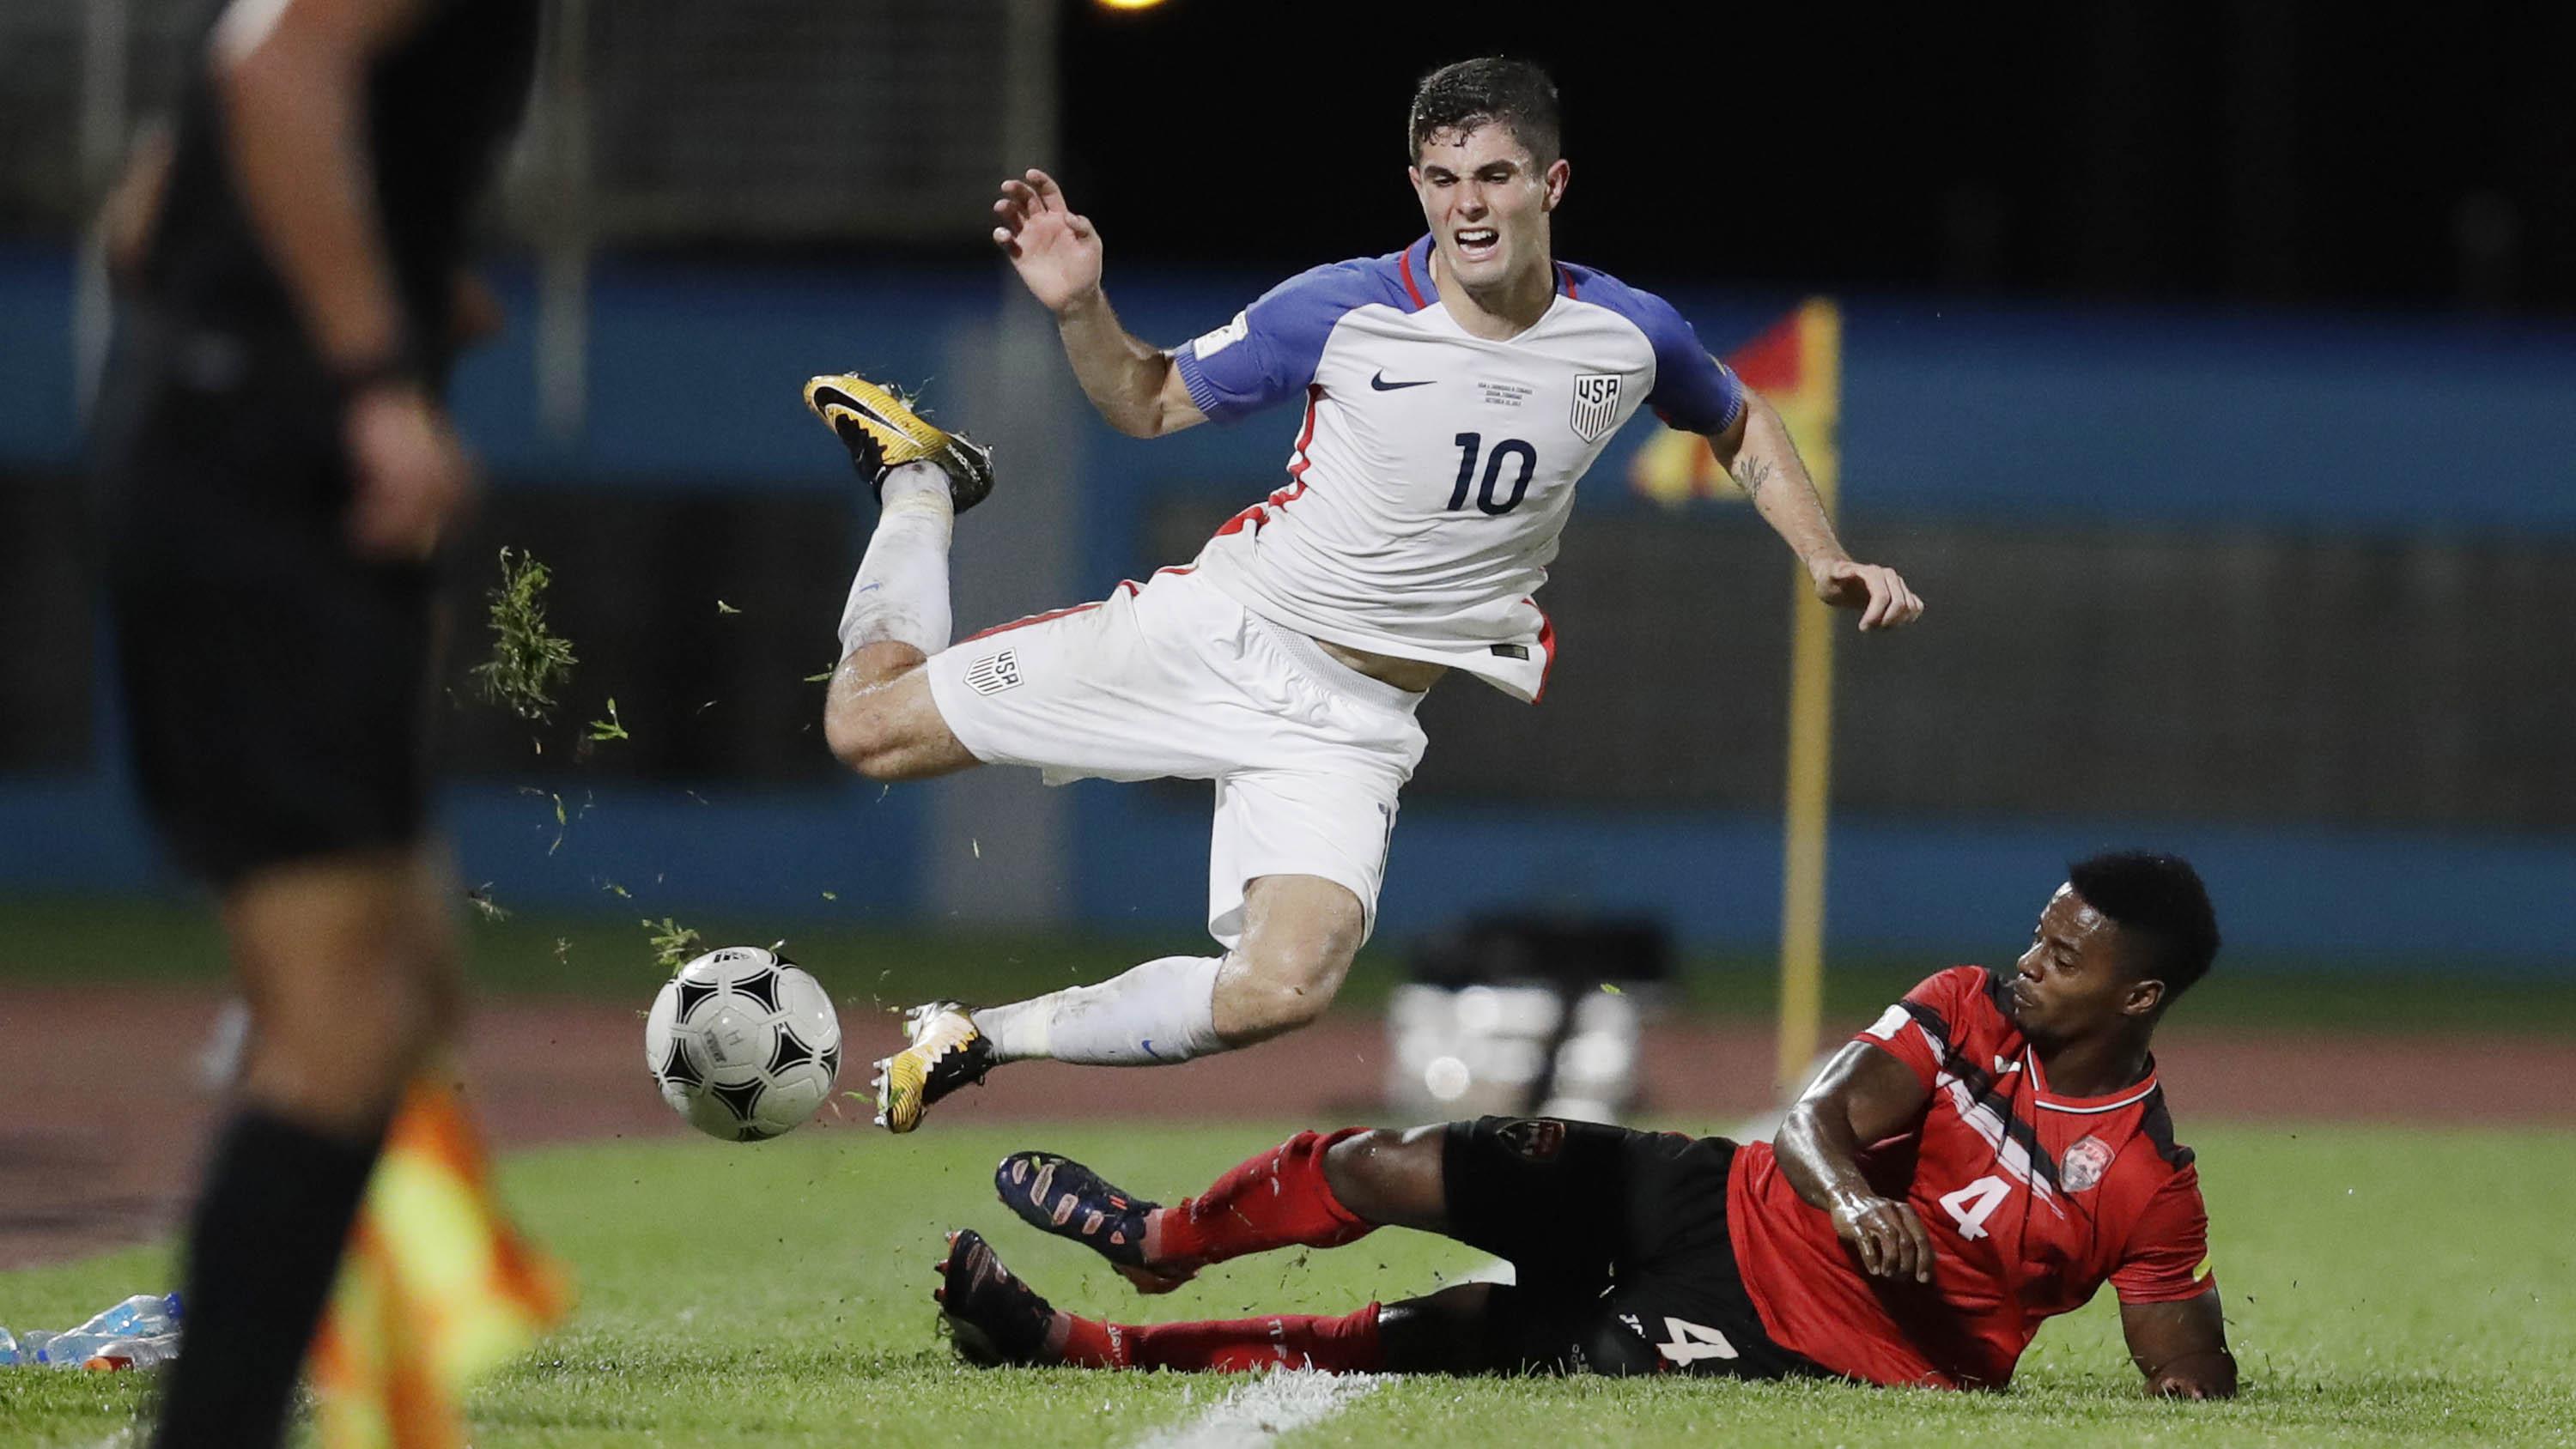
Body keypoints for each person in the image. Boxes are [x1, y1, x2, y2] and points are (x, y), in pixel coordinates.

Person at [807, 56, 1925, 1135]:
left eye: (1492, 175)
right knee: (865, 726)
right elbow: (1145, 404)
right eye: (1442, 180)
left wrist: (1824, 556)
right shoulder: (1335, 308)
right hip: (1223, 636)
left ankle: (973, 1038)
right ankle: (921, 485)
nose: (1467, 207)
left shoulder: (1628, 334)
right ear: (1416, 189)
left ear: (1553, 183)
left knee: (1281, 991)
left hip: (1355, 722)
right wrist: (1078, 307)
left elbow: (1737, 421)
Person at [934, 853, 2237, 1397]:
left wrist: (2196, 1393)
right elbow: (1818, 1120)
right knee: (1392, 1161)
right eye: (2039, 932)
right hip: (1713, 1197)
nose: (2030, 960)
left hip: (1802, 1342)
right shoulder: (1964, 1006)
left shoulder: (2145, 1183)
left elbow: (2184, 1380)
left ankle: (1083, 1348)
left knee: (1455, 1334)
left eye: (2064, 958)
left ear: (2138, 997)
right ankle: (1162, 1238)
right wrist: (1852, 1202)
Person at [91, 0, 539, 1443]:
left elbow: (143, 218)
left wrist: (401, 284)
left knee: (396, 987)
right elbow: (275, 68)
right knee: (346, 1011)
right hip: (268, 479)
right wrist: (365, 375)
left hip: (241, 462)